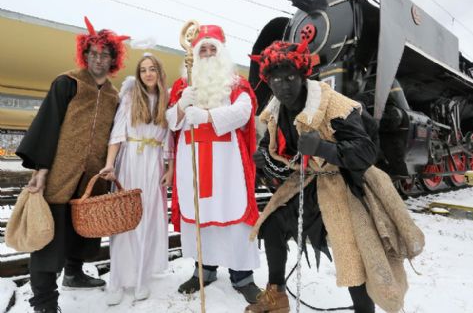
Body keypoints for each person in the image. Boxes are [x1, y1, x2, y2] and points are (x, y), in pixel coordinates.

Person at [246, 40, 425, 313]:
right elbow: (282, 160)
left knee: (353, 248)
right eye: (275, 79)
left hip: (346, 184)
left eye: (289, 77)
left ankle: (364, 310)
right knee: (272, 224)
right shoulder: (274, 111)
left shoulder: (334, 103)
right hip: (307, 182)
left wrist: (323, 147)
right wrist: (266, 160)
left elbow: (366, 152)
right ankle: (276, 296)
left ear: (303, 75)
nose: (282, 85)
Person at [15, 17, 128, 313]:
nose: (98, 59)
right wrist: (41, 171)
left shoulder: (116, 96)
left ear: (113, 59)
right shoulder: (68, 83)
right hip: (59, 174)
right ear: (85, 54)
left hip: (92, 178)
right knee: (48, 239)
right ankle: (44, 302)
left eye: (105, 55)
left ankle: (74, 274)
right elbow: (48, 125)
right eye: (93, 53)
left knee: (82, 232)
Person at [166, 24, 261, 304]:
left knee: (234, 217)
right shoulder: (183, 86)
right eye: (202, 49)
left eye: (212, 48)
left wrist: (207, 117)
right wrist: (182, 105)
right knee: (200, 216)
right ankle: (203, 271)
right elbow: (171, 122)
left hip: (227, 164)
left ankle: (242, 277)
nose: (207, 53)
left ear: (221, 52)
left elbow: (244, 112)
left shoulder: (235, 83)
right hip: (191, 161)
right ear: (194, 54)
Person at [99, 54, 173, 305]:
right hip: (130, 162)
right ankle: (117, 281)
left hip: (153, 165)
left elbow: (169, 138)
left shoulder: (165, 100)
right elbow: (117, 134)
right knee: (123, 223)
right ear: (138, 75)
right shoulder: (130, 97)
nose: (148, 74)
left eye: (152, 69)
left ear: (159, 72)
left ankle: (142, 278)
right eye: (143, 70)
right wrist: (110, 164)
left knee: (147, 222)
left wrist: (170, 167)